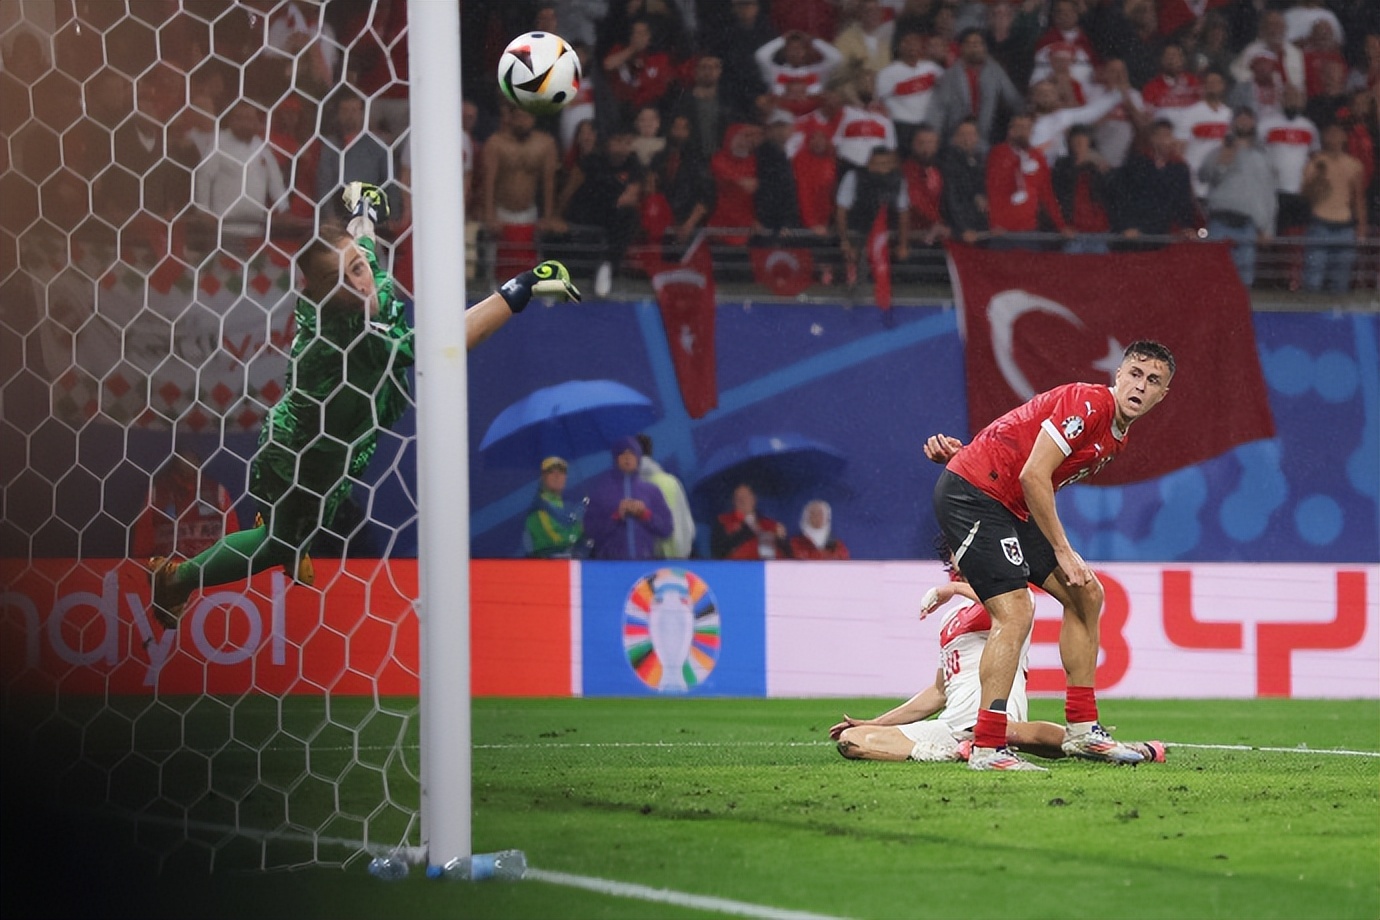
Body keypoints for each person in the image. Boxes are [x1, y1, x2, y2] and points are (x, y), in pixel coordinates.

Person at [148, 183, 581, 628]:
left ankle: (290, 532)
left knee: (305, 524)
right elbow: (449, 342)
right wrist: (521, 288)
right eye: (343, 280)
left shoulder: (355, 274)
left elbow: (363, 248)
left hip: (333, 433)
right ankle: (178, 579)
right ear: (322, 294)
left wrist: (364, 211)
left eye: (357, 267)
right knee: (275, 543)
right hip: (309, 458)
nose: (360, 283)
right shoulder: (353, 338)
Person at [922, 339, 1176, 770]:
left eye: (1153, 381)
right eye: (1134, 374)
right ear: (1118, 375)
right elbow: (1033, 474)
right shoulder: (1090, 404)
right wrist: (1063, 549)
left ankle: (1082, 730)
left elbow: (1019, 444)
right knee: (1015, 611)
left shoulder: (1116, 437)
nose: (1140, 385)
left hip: (1005, 500)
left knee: (1086, 595)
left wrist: (969, 452)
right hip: (976, 495)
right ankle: (988, 747)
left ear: (1162, 395)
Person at [830, 537, 1165, 765]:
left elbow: (1010, 602)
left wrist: (952, 588)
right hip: (953, 725)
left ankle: (1122, 748)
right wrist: (877, 722)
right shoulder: (949, 618)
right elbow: (938, 692)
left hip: (992, 717)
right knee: (853, 739)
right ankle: (947, 752)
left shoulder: (1012, 601)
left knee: (1013, 731)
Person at [481, 102, 561, 281]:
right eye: (519, 117)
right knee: (497, 266)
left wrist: (547, 216)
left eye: (527, 117)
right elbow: (489, 182)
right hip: (502, 211)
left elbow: (549, 183)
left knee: (530, 265)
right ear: (511, 118)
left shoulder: (545, 144)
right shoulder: (495, 143)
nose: (523, 122)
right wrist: (489, 216)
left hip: (529, 212)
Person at [1199, 107, 1277, 288]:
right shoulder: (1218, 151)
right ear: (1232, 123)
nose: (1243, 122)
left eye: (1247, 118)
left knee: (1244, 280)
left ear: (1254, 123)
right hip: (1219, 221)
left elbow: (1269, 194)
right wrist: (1225, 157)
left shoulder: (1263, 156)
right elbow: (1204, 176)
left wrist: (1268, 228)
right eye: (1240, 118)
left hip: (1248, 225)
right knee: (1214, 275)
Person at [131, 449, 241, 561]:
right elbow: (143, 541)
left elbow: (232, 536)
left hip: (208, 564)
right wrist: (142, 563)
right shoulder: (158, 493)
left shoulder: (216, 491)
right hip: (169, 565)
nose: (188, 460)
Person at [930, 28, 1025, 147]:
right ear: (962, 48)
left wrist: (1026, 114)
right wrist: (933, 136)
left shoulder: (995, 71)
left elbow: (1012, 97)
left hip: (986, 136)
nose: (974, 47)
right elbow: (939, 108)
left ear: (985, 47)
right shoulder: (950, 75)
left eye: (978, 43)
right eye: (970, 44)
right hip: (956, 137)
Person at [1301, 121, 1367, 293]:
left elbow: (1358, 199)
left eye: (1337, 133)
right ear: (1323, 137)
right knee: (1313, 277)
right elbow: (1305, 194)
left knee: (1340, 279)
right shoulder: (1315, 163)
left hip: (1345, 226)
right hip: (1320, 223)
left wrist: (1361, 227)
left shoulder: (1354, 165)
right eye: (1329, 133)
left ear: (1344, 137)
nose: (1333, 137)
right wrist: (1318, 180)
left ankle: (1337, 310)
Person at [583, 436, 673, 560]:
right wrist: (616, 517)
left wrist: (645, 515)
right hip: (610, 564)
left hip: (644, 563)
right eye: (622, 453)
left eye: (632, 453)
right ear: (616, 459)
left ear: (638, 458)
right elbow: (590, 530)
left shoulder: (652, 491)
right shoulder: (601, 492)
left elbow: (667, 529)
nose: (627, 457)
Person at [985, 112, 1067, 247]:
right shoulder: (998, 153)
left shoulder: (1038, 157)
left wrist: (1061, 226)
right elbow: (992, 189)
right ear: (1011, 130)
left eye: (1028, 128)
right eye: (1020, 127)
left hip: (1028, 230)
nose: (1024, 132)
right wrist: (994, 223)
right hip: (1002, 231)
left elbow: (1047, 194)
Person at [636, 434, 695, 559]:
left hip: (647, 561)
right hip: (679, 557)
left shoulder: (631, 486)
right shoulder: (671, 481)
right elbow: (687, 525)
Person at [523, 456, 585, 559]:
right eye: (551, 472)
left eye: (562, 472)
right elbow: (559, 539)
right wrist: (581, 528)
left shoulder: (569, 506)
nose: (557, 476)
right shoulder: (537, 510)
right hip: (545, 565)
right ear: (543, 477)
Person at [938, 117, 989, 243]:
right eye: (962, 134)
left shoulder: (977, 160)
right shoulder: (949, 162)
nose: (967, 139)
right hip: (961, 230)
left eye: (971, 134)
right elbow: (951, 197)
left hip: (976, 225)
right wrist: (963, 228)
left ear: (977, 138)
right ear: (954, 138)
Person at [711, 483, 786, 560]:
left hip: (768, 565)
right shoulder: (723, 521)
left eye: (745, 496)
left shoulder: (771, 524)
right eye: (738, 497)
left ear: (754, 499)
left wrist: (781, 539)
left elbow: (787, 554)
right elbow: (718, 551)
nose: (742, 500)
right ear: (733, 501)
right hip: (738, 564)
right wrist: (745, 530)